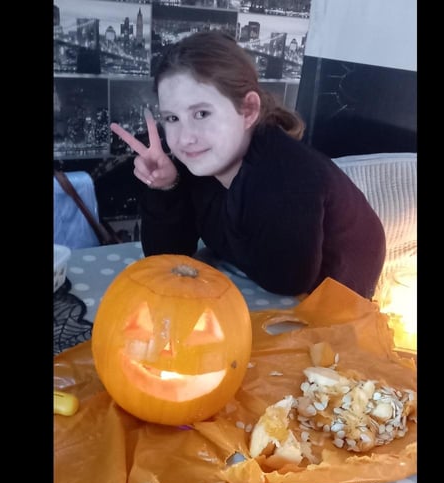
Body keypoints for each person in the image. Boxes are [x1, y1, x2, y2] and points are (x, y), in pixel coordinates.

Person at [110, 31, 386, 299]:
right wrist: (167, 187)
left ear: (248, 110)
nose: (185, 137)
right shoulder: (204, 160)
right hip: (262, 290)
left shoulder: (286, 174)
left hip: (332, 309)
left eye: (202, 113)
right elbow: (166, 257)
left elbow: (287, 281)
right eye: (172, 118)